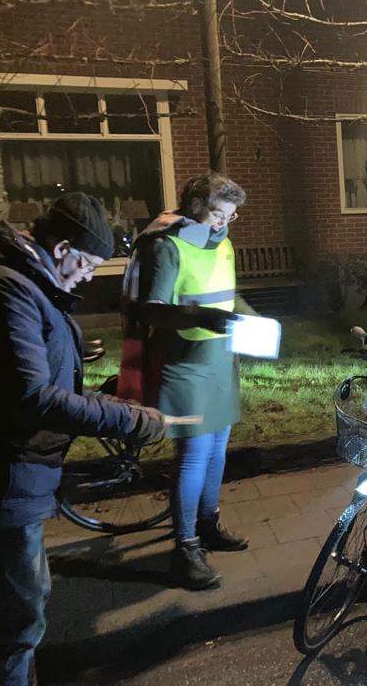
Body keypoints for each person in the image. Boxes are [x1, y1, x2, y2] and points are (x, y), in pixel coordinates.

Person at [0, 193, 168, 685]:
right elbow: (32, 398)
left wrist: (111, 403)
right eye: (89, 264)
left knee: (19, 611)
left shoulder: (24, 284)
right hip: (2, 480)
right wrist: (128, 420)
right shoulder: (6, 289)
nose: (89, 277)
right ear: (62, 250)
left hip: (15, 476)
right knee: (16, 621)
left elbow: (38, 382)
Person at [118, 173, 251, 591]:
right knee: (194, 452)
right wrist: (203, 319)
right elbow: (152, 310)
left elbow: (228, 295)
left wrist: (252, 318)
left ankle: (207, 523)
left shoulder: (223, 243)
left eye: (230, 216)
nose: (224, 223)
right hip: (183, 360)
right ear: (194, 205)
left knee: (218, 445)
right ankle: (185, 548)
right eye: (218, 214)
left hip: (219, 358)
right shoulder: (167, 244)